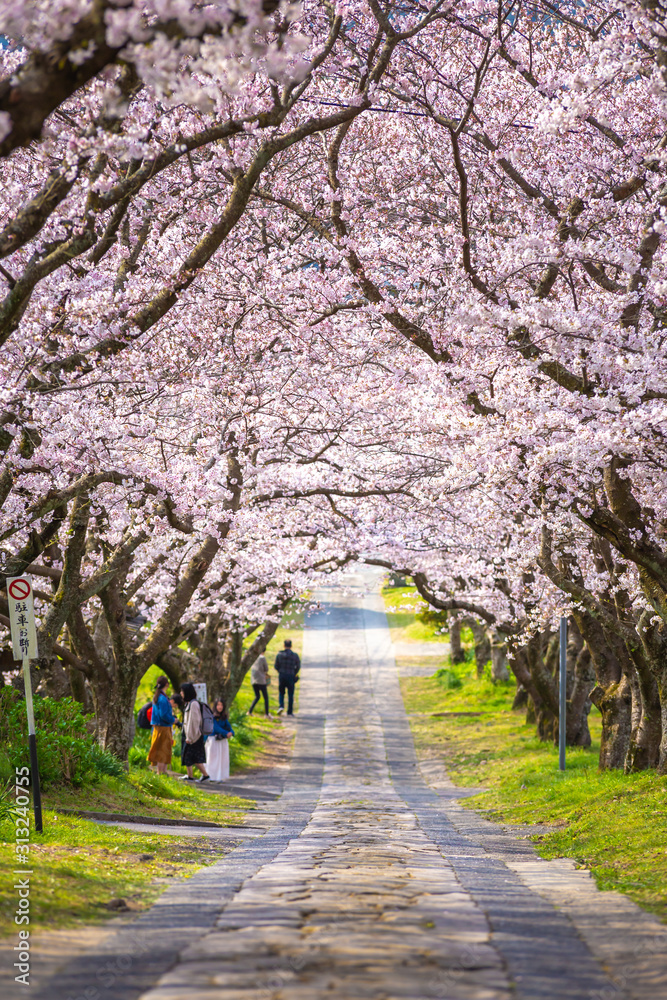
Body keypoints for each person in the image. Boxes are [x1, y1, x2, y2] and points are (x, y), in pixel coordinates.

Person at [180, 682, 210, 782]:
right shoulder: (190, 703)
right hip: (190, 735)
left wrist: (191, 737)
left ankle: (204, 775)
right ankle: (191, 776)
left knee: (194, 757)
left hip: (194, 736)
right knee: (189, 756)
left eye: (182, 691)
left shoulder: (193, 704)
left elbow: (195, 722)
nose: (181, 693)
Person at [147, 676, 176, 775]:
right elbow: (163, 715)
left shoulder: (158, 696)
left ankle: (162, 772)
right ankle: (161, 772)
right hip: (163, 727)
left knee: (160, 749)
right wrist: (173, 720)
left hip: (158, 727)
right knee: (163, 750)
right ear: (167, 685)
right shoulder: (163, 699)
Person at [205, 699, 234, 781]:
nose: (220, 707)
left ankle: (219, 777)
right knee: (212, 759)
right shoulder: (212, 716)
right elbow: (215, 727)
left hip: (222, 741)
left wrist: (231, 732)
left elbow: (229, 727)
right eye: (218, 705)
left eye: (221, 705)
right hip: (213, 740)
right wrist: (226, 733)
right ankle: (211, 776)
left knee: (222, 759)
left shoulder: (224, 717)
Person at [274, 639, 300, 716]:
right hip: (291, 675)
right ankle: (290, 711)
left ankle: (281, 706)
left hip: (282, 675)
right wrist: (294, 672)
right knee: (290, 694)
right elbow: (298, 666)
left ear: (284, 645)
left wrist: (280, 671)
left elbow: (276, 666)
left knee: (281, 692)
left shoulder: (279, 655)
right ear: (291, 646)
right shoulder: (295, 656)